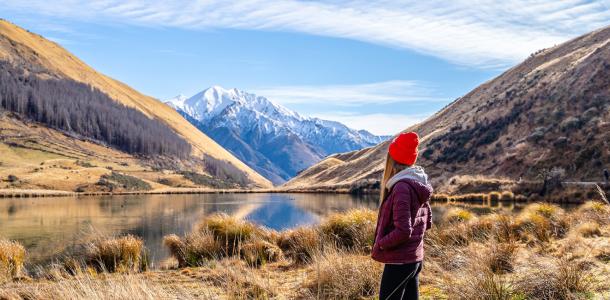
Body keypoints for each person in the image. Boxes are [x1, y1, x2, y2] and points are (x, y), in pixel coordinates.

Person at [372, 132, 433, 300]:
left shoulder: (401, 188)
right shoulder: (418, 183)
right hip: (414, 258)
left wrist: (382, 243)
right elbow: (427, 222)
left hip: (399, 262)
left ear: (393, 160)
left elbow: (404, 230)